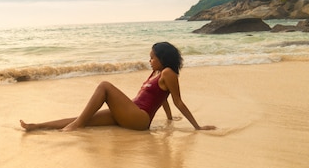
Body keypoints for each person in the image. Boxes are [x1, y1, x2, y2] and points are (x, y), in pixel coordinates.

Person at [20, 42, 215, 132]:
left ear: (162, 58)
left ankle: (75, 127)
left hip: (139, 118)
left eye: (152, 57)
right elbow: (162, 98)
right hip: (130, 113)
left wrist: (197, 127)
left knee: (105, 86)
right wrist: (170, 119)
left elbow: (177, 100)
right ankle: (36, 126)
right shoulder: (157, 74)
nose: (149, 60)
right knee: (83, 117)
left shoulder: (168, 73)